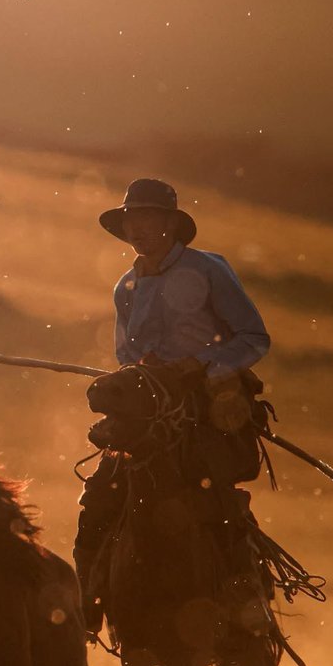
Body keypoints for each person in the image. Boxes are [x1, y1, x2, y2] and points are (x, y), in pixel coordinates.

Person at [74, 177, 271, 633]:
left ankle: (248, 600)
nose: (136, 229)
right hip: (148, 417)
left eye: (145, 218)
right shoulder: (125, 287)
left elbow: (254, 338)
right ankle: (91, 599)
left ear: (169, 224)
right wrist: (139, 372)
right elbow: (125, 355)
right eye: (129, 221)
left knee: (216, 504)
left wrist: (198, 365)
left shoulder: (208, 270)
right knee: (100, 494)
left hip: (205, 413)